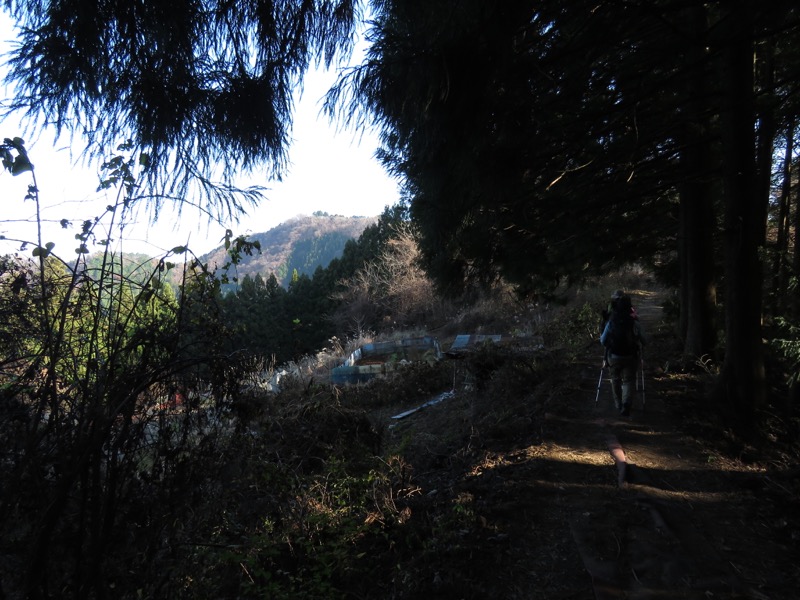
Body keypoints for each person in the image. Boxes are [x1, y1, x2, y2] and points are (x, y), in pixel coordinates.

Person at [600, 292, 645, 416]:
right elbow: (645, 340)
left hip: (613, 356)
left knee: (615, 379)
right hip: (630, 356)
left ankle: (618, 404)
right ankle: (626, 404)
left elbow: (603, 341)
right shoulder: (634, 322)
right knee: (629, 380)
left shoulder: (611, 322)